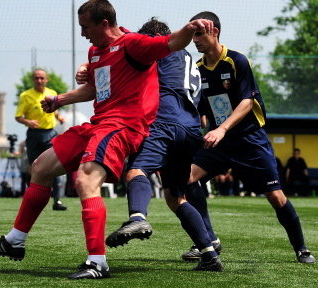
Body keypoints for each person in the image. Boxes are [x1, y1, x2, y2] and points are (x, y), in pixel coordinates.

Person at [0, 0, 214, 279]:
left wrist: (190, 28)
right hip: (99, 124)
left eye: (86, 27)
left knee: (85, 180)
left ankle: (97, 262)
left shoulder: (134, 44)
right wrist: (60, 100)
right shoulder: (96, 51)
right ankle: (15, 241)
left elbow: (172, 42)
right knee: (41, 167)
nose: (82, 33)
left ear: (104, 24)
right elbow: (96, 87)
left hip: (123, 127)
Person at [76, 17, 222, 271]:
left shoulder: (157, 44)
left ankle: (137, 218)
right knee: (176, 197)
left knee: (135, 171)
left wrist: (89, 65)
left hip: (163, 122)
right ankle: (209, 253)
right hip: (190, 128)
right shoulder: (189, 59)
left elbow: (124, 43)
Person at [184, 11, 314, 264]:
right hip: (220, 143)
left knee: (276, 196)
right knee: (187, 177)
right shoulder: (197, 69)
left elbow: (247, 101)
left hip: (249, 139)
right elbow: (199, 110)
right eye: (191, 34)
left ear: (214, 32)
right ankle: (208, 240)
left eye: (199, 33)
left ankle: (302, 248)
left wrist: (222, 128)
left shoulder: (236, 61)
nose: (195, 39)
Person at [15, 68, 67, 211]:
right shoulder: (25, 96)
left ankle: (57, 200)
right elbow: (18, 116)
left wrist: (58, 117)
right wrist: (28, 122)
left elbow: (54, 109)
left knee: (55, 166)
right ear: (33, 80)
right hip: (34, 135)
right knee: (35, 168)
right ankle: (32, 199)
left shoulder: (52, 93)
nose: (39, 80)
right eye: (36, 78)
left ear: (46, 80)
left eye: (42, 78)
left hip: (50, 134)